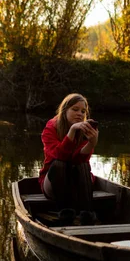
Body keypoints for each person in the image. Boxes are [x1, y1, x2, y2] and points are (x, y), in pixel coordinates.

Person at [38, 93, 99, 224]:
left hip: (76, 186)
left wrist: (91, 143)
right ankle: (65, 213)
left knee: (82, 165)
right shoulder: (51, 128)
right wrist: (71, 132)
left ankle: (87, 214)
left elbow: (79, 160)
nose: (80, 114)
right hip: (53, 183)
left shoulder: (84, 129)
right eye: (75, 109)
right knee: (59, 164)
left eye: (83, 111)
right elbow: (59, 156)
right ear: (65, 110)